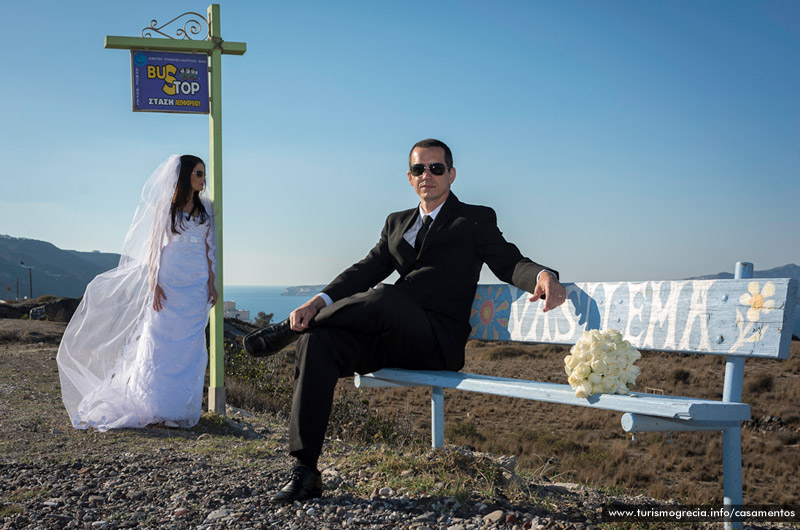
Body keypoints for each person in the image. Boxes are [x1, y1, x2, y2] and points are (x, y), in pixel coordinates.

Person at [244, 138, 567, 503]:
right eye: (419, 169)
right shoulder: (396, 223)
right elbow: (362, 271)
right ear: (410, 178)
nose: (427, 174)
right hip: (390, 339)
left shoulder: (474, 219)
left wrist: (542, 275)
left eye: (436, 168)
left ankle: (289, 329)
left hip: (435, 343)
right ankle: (304, 471)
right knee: (315, 343)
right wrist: (317, 300)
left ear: (451, 175)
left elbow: (509, 261)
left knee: (384, 295)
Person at [57, 154, 217, 431]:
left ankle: (178, 408)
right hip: (170, 276)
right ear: (185, 177)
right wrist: (153, 284)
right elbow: (154, 249)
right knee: (160, 341)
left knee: (190, 345)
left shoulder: (207, 208)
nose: (204, 179)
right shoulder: (164, 207)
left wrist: (212, 282)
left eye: (204, 174)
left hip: (197, 280)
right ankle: (151, 405)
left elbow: (210, 247)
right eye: (199, 174)